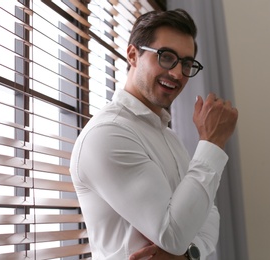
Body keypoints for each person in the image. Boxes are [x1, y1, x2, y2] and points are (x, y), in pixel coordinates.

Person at [70, 8, 238, 260]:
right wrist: (212, 142)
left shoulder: (169, 137)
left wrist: (189, 256)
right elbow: (172, 234)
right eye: (166, 57)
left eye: (186, 63)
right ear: (132, 55)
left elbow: (208, 214)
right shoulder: (107, 134)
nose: (178, 73)